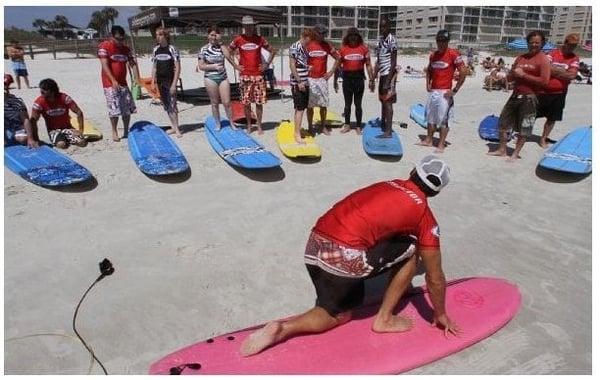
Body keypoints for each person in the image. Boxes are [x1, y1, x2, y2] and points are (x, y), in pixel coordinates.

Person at [240, 155, 458, 357]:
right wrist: (439, 313)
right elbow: (434, 277)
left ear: (412, 171)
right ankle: (382, 319)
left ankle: (398, 286)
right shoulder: (425, 218)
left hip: (315, 244)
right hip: (343, 257)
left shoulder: (388, 184)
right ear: (436, 192)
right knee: (340, 314)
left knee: (393, 236)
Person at [488, 30, 551, 162]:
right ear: (527, 43)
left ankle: (515, 153)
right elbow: (511, 77)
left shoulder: (543, 60)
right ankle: (502, 149)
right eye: (531, 42)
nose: (534, 45)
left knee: (525, 127)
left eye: (537, 42)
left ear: (542, 44)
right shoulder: (521, 58)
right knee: (503, 123)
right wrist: (508, 76)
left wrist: (524, 75)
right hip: (515, 95)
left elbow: (545, 82)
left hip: (530, 98)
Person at [417, 30, 467, 153]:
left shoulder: (453, 54)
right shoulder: (433, 55)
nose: (441, 43)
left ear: (447, 41)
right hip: (433, 91)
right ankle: (428, 140)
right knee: (430, 116)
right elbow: (429, 70)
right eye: (439, 41)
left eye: (443, 41)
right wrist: (427, 83)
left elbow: (464, 71)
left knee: (443, 119)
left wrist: (455, 90)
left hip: (445, 92)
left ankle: (441, 144)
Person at [229, 15, 277, 135]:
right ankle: (249, 125)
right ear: (243, 26)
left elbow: (273, 50)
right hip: (245, 76)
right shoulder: (238, 39)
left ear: (253, 26)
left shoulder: (260, 39)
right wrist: (235, 66)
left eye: (251, 25)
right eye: (246, 26)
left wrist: (266, 64)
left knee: (259, 103)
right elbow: (228, 52)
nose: (249, 28)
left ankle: (259, 125)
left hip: (259, 75)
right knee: (246, 103)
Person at [536, 33, 581, 148]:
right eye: (570, 44)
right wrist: (562, 72)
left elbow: (572, 76)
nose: (572, 47)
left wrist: (554, 70)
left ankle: (543, 138)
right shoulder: (552, 53)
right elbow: (545, 68)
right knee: (531, 115)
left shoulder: (574, 58)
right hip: (542, 91)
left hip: (559, 93)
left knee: (552, 118)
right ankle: (523, 135)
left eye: (574, 46)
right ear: (565, 42)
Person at [98, 25, 140, 142]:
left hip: (123, 82)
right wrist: (113, 80)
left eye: (122, 39)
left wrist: (137, 78)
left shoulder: (125, 49)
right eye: (118, 39)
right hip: (109, 83)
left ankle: (126, 130)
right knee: (114, 109)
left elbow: (132, 64)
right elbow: (105, 66)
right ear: (112, 36)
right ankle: (114, 130)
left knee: (126, 107)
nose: (120, 41)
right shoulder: (104, 46)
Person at [333, 27, 375, 134]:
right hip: (347, 80)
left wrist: (371, 80)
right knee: (347, 104)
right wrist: (335, 81)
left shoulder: (364, 49)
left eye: (355, 35)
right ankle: (347, 124)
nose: (353, 37)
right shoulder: (342, 49)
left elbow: (369, 65)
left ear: (358, 37)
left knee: (358, 104)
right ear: (347, 37)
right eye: (351, 35)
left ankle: (358, 126)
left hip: (359, 79)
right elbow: (337, 66)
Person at [198, 25, 237, 130]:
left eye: (215, 35)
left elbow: (228, 56)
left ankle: (232, 123)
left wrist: (221, 42)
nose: (213, 37)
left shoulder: (221, 47)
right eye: (211, 35)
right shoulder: (204, 49)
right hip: (210, 78)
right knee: (214, 103)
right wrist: (213, 66)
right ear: (208, 36)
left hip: (223, 77)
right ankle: (218, 123)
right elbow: (201, 66)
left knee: (227, 102)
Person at [30, 78, 87, 149]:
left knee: (81, 142)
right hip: (53, 130)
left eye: (44, 90)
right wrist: (36, 139)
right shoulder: (39, 102)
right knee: (61, 145)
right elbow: (33, 121)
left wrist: (80, 131)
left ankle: (66, 137)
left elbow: (79, 112)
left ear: (52, 91)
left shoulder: (64, 98)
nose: (41, 92)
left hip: (67, 128)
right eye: (41, 89)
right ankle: (63, 139)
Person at [305, 24, 340, 136]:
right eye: (320, 33)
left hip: (322, 79)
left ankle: (323, 126)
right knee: (310, 106)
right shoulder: (308, 45)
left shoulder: (327, 45)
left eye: (324, 33)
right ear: (315, 33)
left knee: (323, 105)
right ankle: (310, 126)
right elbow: (299, 60)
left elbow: (338, 58)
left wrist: (331, 72)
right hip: (310, 79)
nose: (323, 35)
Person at [151, 27, 182, 137]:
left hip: (170, 81)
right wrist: (152, 82)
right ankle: (173, 127)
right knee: (166, 105)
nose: (157, 37)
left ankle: (177, 128)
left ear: (165, 36)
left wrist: (174, 83)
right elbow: (154, 67)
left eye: (159, 35)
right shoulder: (155, 50)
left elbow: (178, 67)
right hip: (160, 81)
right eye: (156, 35)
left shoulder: (172, 49)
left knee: (173, 104)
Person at [288, 28, 314, 144]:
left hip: (305, 81)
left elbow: (300, 64)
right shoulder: (295, 47)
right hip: (298, 84)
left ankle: (297, 130)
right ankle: (297, 134)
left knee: (300, 108)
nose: (310, 42)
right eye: (309, 39)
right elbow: (292, 65)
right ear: (304, 36)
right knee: (300, 109)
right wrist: (299, 81)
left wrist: (307, 68)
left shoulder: (304, 48)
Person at [374, 15, 398, 138]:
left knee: (388, 102)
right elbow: (378, 61)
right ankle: (383, 123)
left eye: (384, 26)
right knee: (382, 100)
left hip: (389, 75)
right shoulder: (380, 41)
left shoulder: (391, 40)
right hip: (382, 75)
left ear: (389, 27)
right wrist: (373, 77)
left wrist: (388, 81)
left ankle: (388, 131)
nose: (382, 29)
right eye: (380, 27)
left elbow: (394, 62)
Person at [4, 74, 38, 148]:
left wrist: (30, 138)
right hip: (6, 127)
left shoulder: (17, 102)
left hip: (17, 127)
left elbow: (25, 120)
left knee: (23, 139)